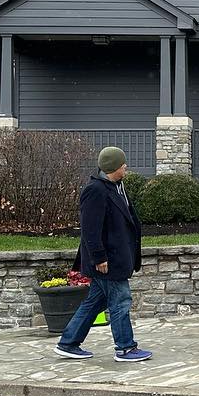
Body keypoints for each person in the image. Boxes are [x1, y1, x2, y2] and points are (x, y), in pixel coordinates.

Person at [54, 146, 152, 362]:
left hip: (117, 257)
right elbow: (90, 228)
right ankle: (125, 348)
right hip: (108, 260)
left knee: (95, 302)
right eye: (122, 164)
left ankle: (68, 343)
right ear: (113, 167)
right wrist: (99, 257)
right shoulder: (95, 190)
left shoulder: (118, 187)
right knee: (121, 301)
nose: (126, 166)